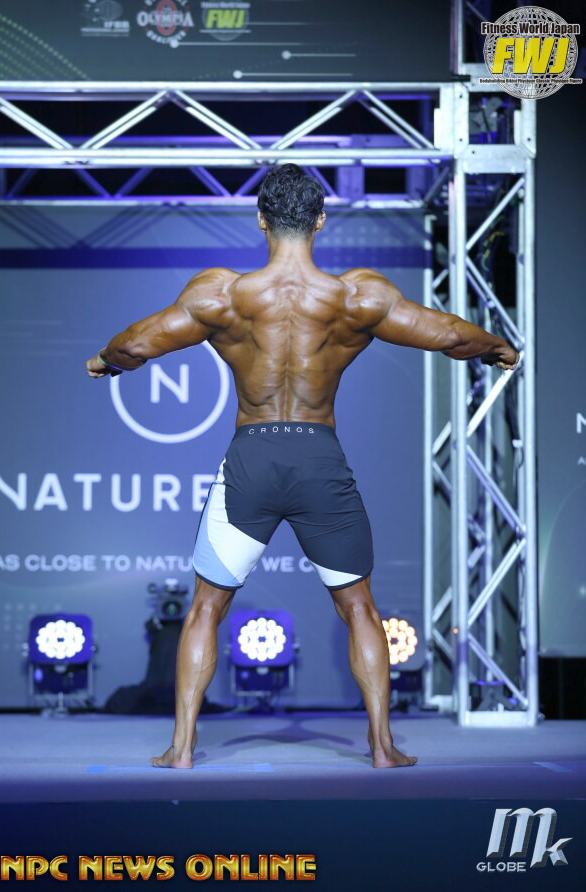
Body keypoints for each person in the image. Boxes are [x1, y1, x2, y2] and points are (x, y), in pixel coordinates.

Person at [86, 163, 519, 768]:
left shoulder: (221, 294)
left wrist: (106, 361)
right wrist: (497, 347)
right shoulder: (358, 296)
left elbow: (136, 344)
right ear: (320, 220)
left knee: (207, 606)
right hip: (319, 456)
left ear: (260, 220)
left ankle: (181, 749)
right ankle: (382, 746)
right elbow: (447, 335)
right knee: (359, 607)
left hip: (252, 456)